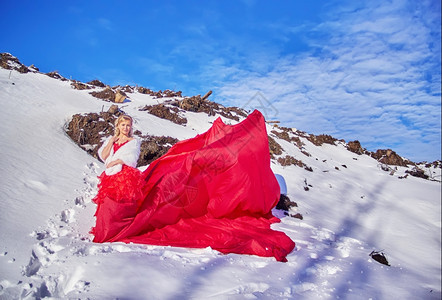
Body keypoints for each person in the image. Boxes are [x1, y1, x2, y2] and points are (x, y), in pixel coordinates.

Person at [91, 111, 295, 262]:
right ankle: (107, 231)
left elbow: (130, 160)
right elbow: (103, 155)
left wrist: (118, 162)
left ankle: (115, 231)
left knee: (124, 210)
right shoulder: (114, 139)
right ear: (118, 126)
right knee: (108, 207)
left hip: (124, 177)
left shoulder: (133, 142)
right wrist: (111, 141)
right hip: (110, 177)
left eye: (128, 125)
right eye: (123, 125)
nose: (126, 128)